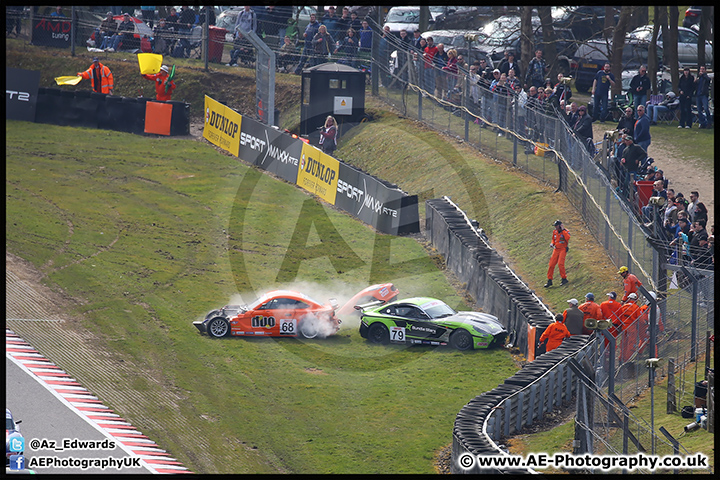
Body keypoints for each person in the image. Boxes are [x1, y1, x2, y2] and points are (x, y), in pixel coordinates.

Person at [618, 292, 642, 364]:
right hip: (632, 327)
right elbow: (640, 318)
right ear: (635, 299)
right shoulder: (636, 307)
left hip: (623, 327)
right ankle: (628, 360)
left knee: (623, 343)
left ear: (629, 298)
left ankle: (621, 358)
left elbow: (619, 316)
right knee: (631, 343)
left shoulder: (624, 306)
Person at [544, 220, 570, 288]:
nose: (555, 227)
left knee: (560, 264)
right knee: (551, 264)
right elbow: (553, 239)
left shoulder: (566, 231)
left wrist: (563, 230)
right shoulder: (554, 232)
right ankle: (549, 280)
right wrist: (552, 243)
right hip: (556, 249)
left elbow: (567, 238)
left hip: (563, 249)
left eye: (556, 226)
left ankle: (564, 278)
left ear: (560, 225)